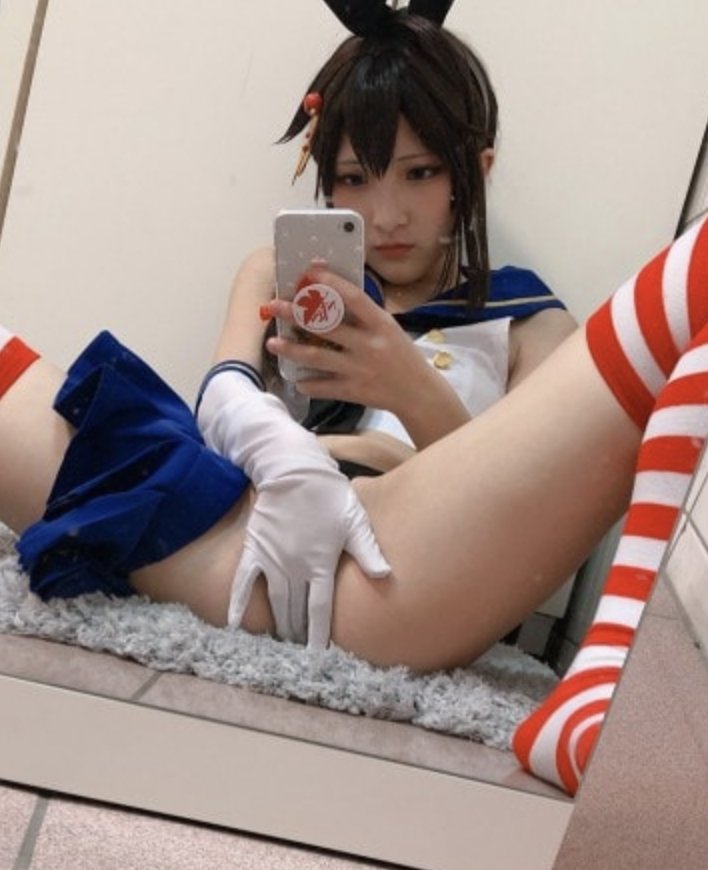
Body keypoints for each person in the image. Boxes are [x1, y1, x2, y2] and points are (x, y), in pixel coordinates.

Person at [206, 0, 577, 645]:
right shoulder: (278, 278)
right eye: (354, 178)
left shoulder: (531, 328)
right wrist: (290, 454)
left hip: (413, 587)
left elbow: (529, 535)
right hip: (259, 540)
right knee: (96, 422)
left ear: (474, 172)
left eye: (420, 172)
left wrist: (409, 392)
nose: (386, 216)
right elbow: (221, 399)